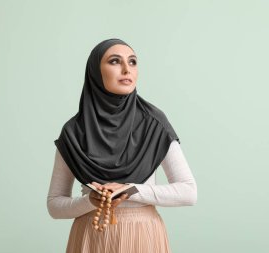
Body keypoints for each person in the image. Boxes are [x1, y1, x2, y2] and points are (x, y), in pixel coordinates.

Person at [47, 38, 197, 253]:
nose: (127, 69)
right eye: (115, 61)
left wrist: (131, 190)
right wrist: (91, 201)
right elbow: (54, 205)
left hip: (143, 236)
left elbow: (188, 192)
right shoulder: (74, 131)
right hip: (92, 236)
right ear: (96, 72)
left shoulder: (153, 123)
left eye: (133, 62)